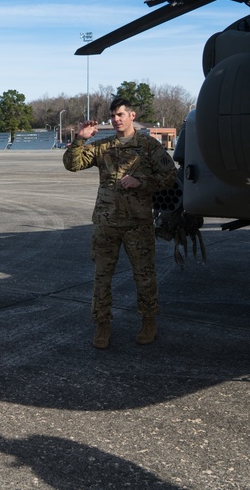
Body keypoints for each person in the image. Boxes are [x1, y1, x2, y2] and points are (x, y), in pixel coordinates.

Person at [63, 97, 177, 349]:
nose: (115, 119)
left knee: (144, 275)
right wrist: (80, 139)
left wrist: (142, 182)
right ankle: (102, 325)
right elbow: (73, 164)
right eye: (113, 116)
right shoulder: (103, 147)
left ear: (132, 116)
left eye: (120, 115)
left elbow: (170, 175)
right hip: (106, 223)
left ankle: (149, 321)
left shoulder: (148, 146)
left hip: (138, 223)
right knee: (102, 277)